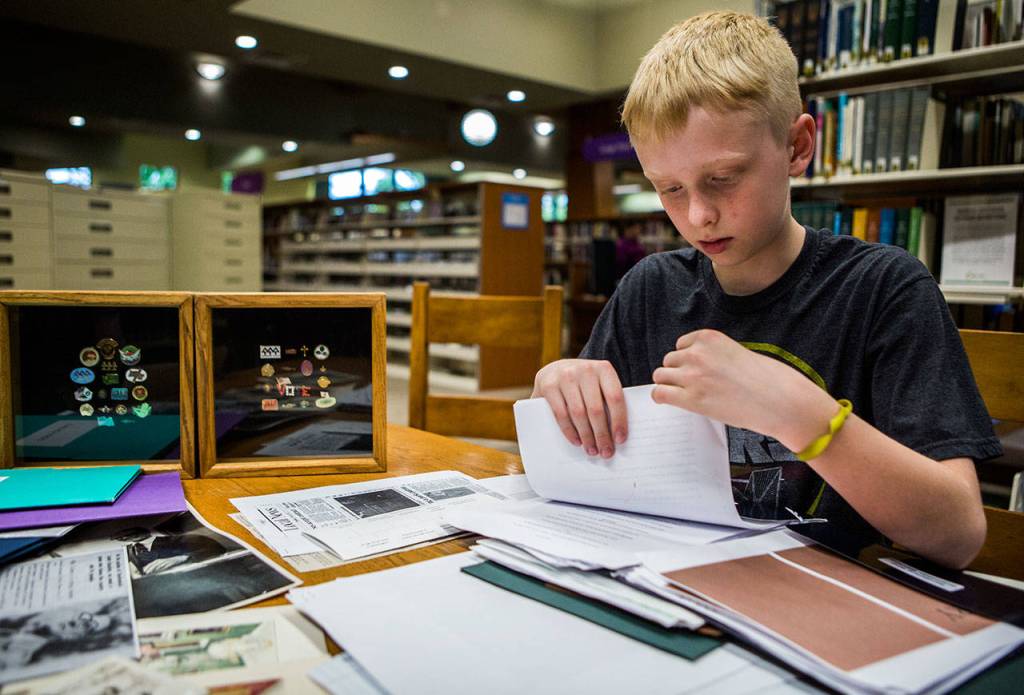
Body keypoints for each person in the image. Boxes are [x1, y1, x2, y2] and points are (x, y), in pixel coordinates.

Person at [532, 11, 999, 569]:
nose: (699, 215)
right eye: (670, 189)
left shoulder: (884, 288)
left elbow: (959, 533)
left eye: (723, 178)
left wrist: (801, 415)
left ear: (798, 147)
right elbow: (586, 468)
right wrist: (558, 395)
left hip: (829, 601)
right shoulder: (649, 289)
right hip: (675, 590)